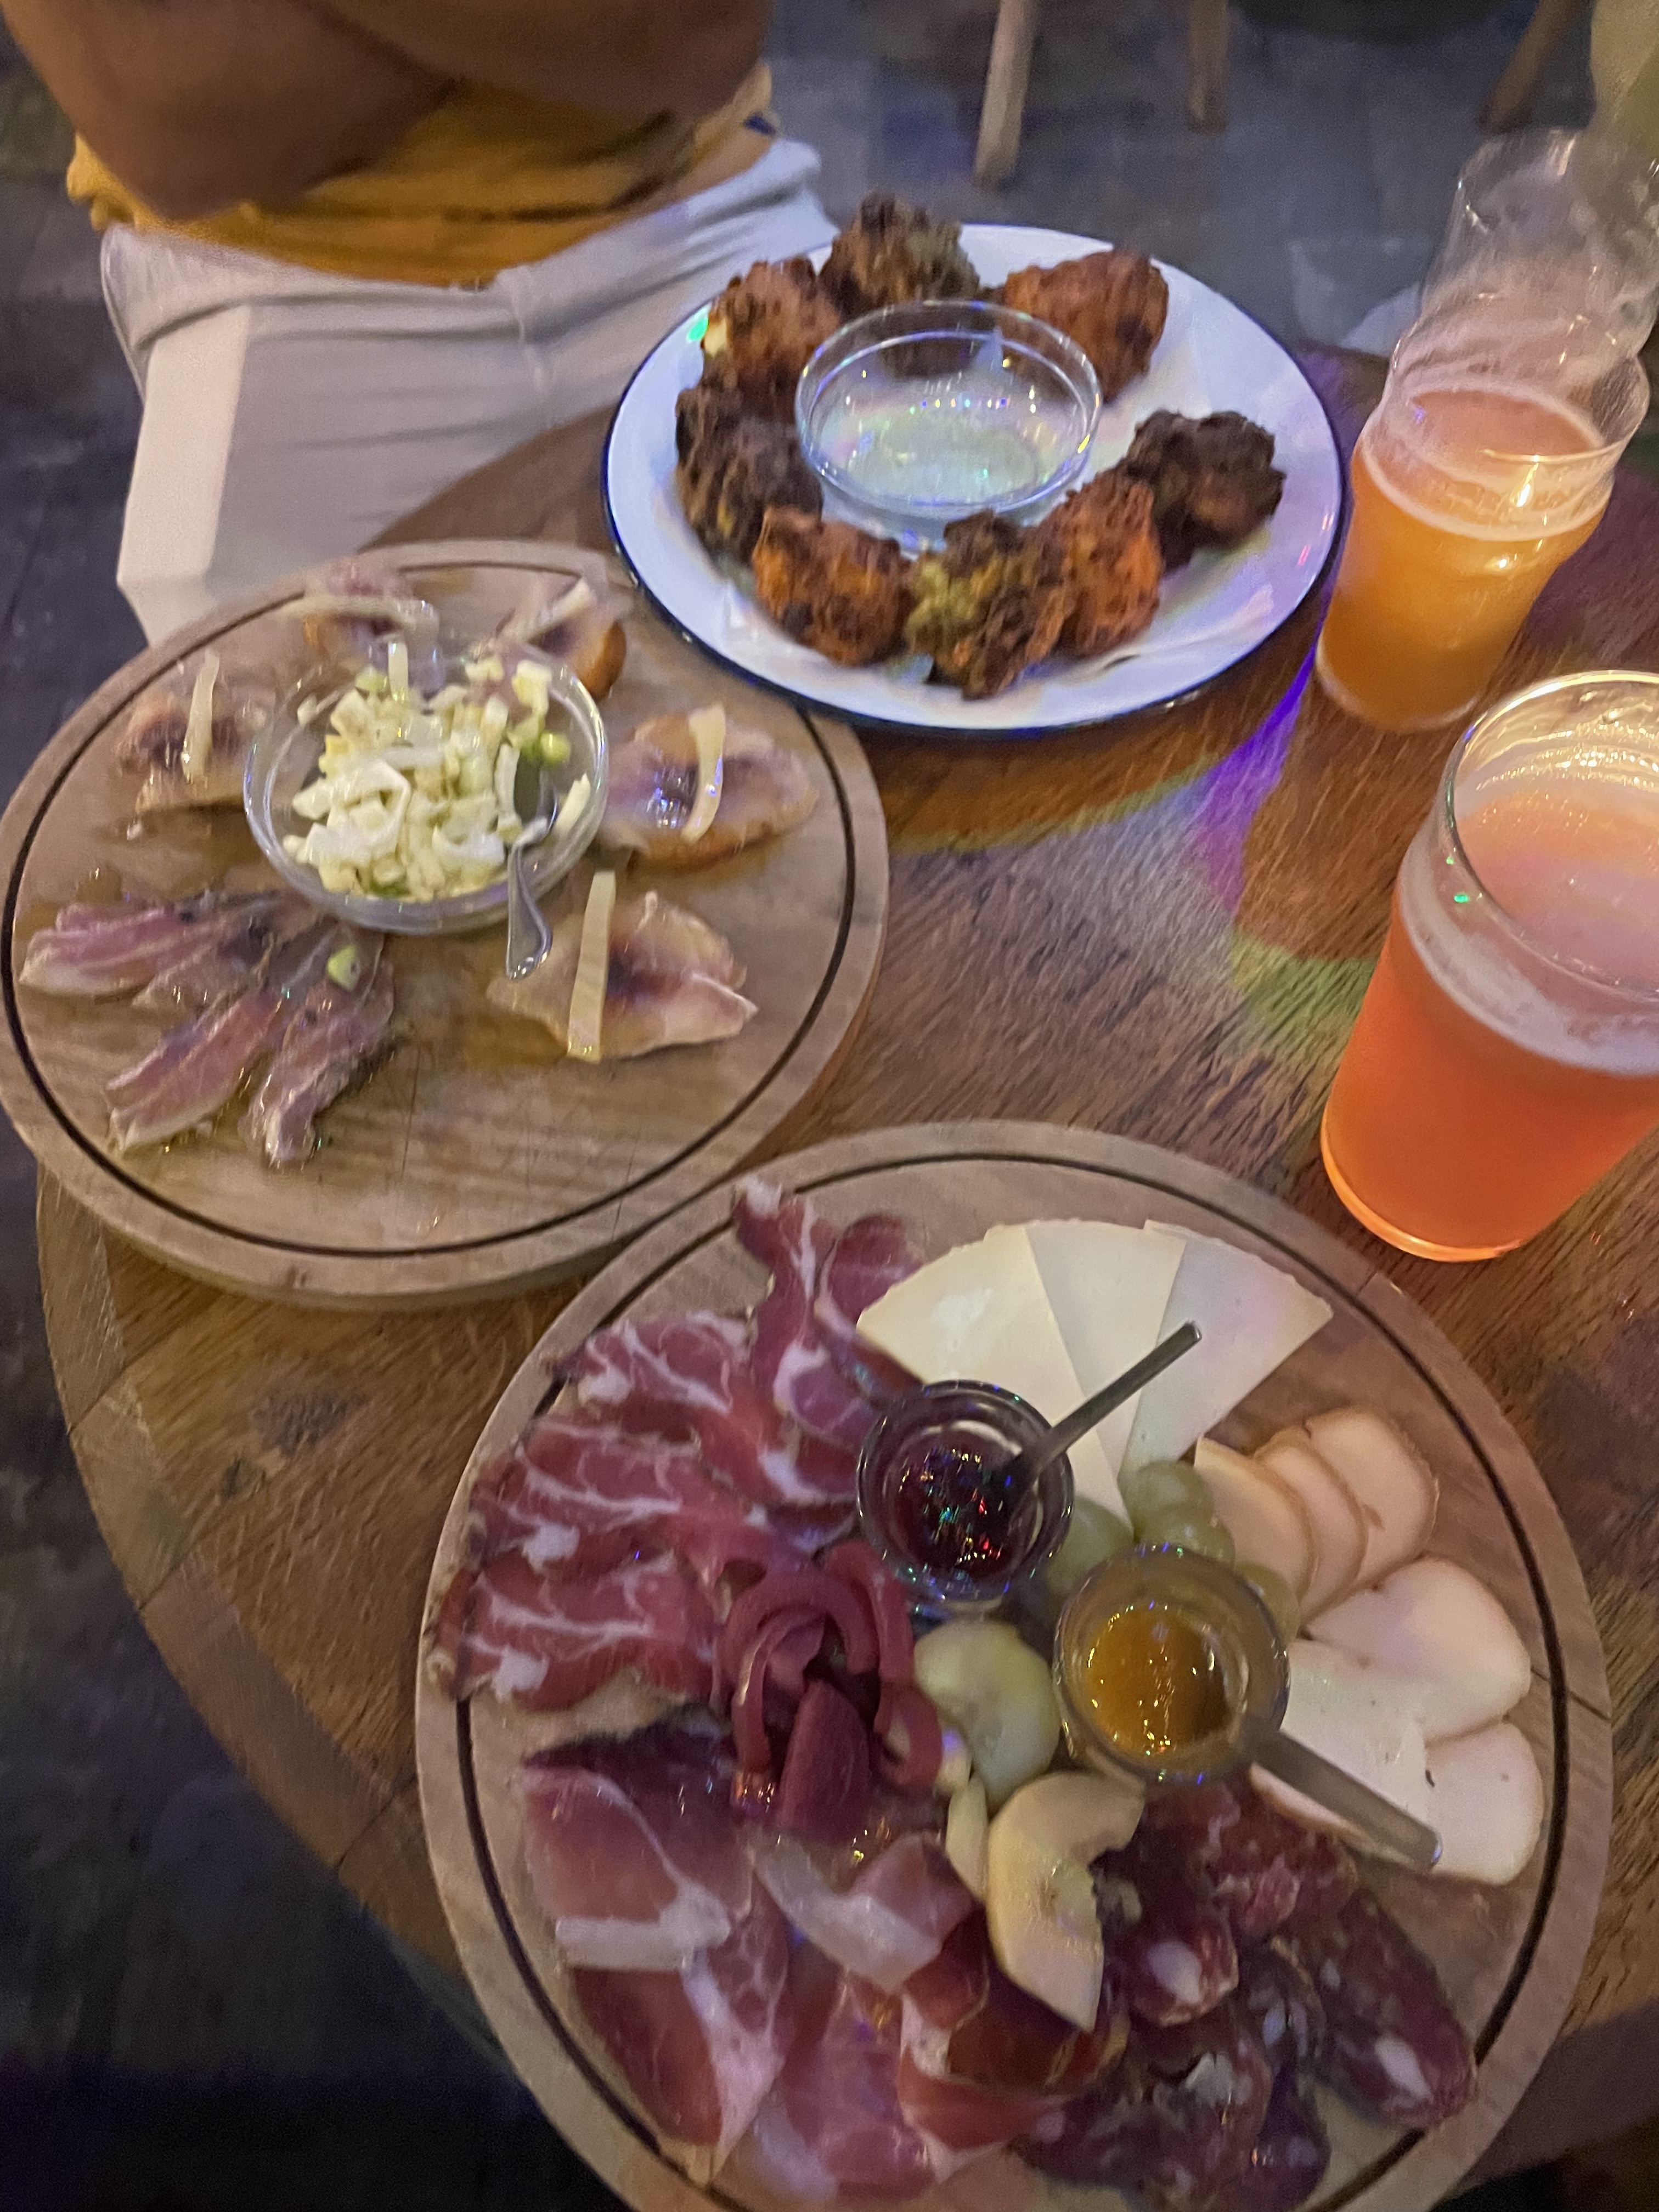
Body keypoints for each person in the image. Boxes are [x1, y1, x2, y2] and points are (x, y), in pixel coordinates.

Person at [1, 0, 831, 642]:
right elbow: (169, 112)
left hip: (693, 218)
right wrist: (567, 36)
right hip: (266, 288)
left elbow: (693, 28)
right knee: (267, 765)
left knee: (861, 657)